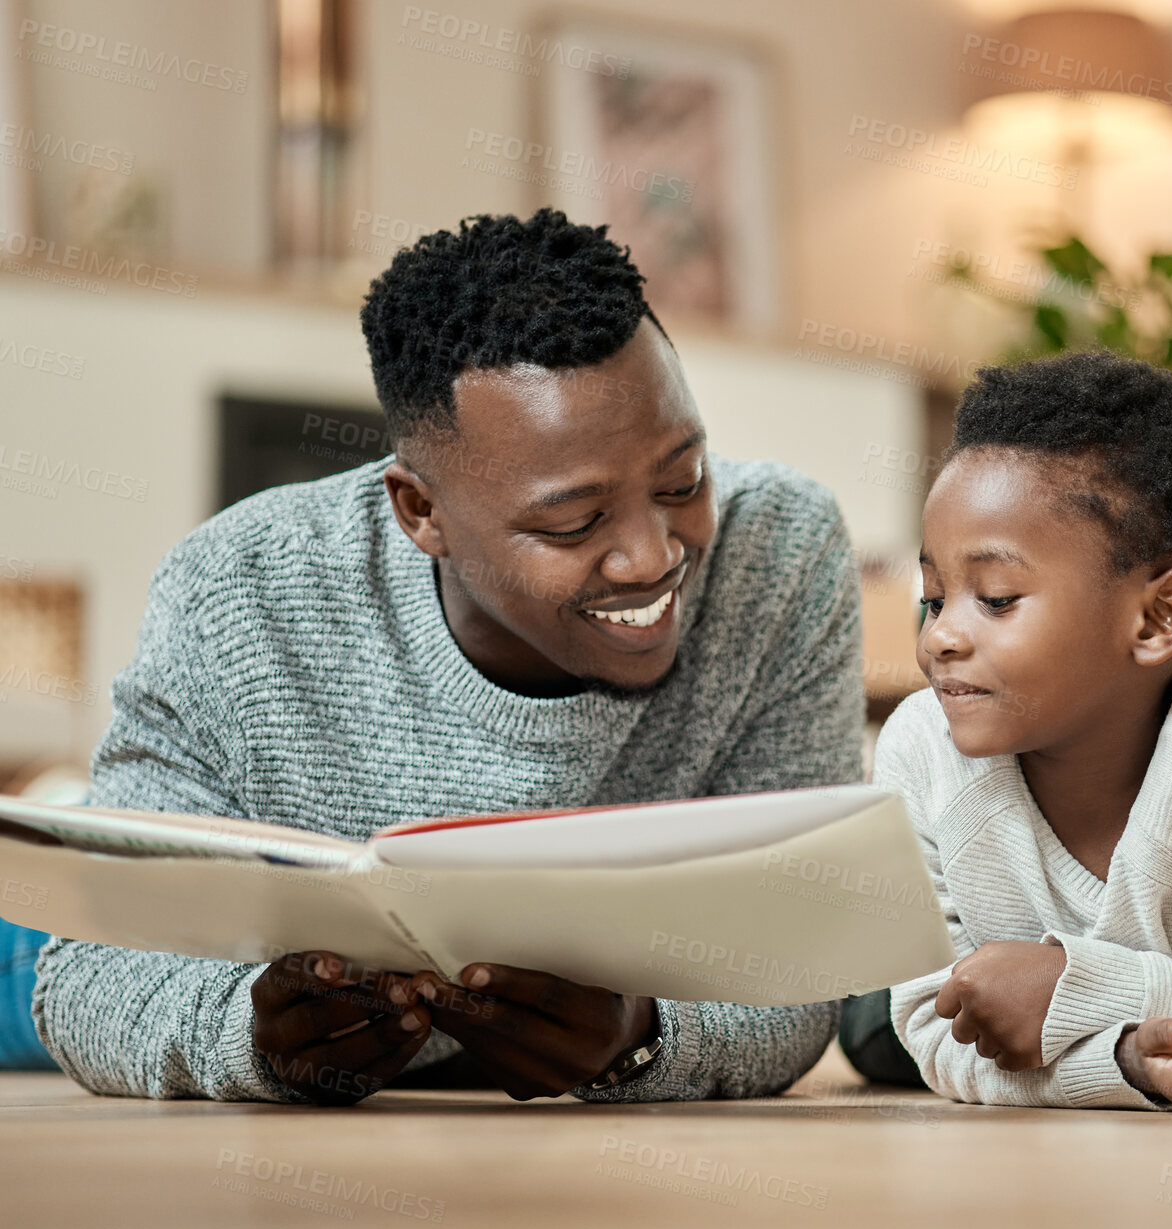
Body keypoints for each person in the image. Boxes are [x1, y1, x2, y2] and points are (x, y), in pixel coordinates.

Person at [32, 210, 863, 1104]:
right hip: (139, 955)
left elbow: (800, 968)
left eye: (682, 482)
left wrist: (643, 1040)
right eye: (575, 522)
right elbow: (83, 981)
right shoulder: (235, 594)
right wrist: (253, 1038)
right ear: (419, 510)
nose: (653, 555)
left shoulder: (780, 552)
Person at [877, 352, 1172, 1113]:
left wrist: (1078, 985)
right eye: (935, 597)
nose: (939, 636)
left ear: (1158, 616)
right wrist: (1128, 1059)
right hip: (990, 986)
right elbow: (934, 1036)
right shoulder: (918, 749)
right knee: (869, 1030)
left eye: (997, 598)